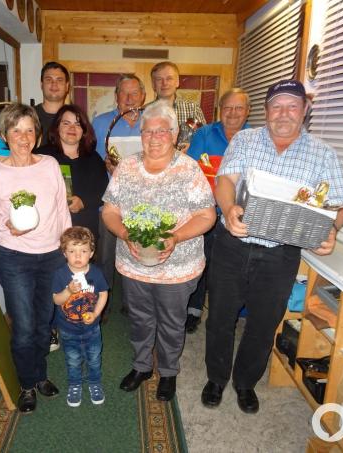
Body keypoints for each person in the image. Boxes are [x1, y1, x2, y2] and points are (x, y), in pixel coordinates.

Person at [200, 80, 343, 415]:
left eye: (292, 106)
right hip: (232, 244)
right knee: (221, 318)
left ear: (305, 110)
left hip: (280, 254)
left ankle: (244, 383)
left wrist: (333, 231)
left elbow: (339, 206)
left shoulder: (323, 154)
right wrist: (227, 209)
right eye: (277, 106)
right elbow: (225, 180)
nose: (284, 114)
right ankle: (216, 378)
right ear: (267, 111)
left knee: (264, 323)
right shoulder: (245, 139)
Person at [102, 101, 216, 401]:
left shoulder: (189, 169)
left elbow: (207, 216)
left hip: (178, 267)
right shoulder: (126, 167)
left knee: (171, 322)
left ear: (175, 134)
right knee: (140, 319)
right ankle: (141, 366)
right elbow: (110, 211)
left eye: (162, 131)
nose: (154, 137)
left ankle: (168, 373)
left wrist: (175, 237)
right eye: (147, 131)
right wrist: (125, 233)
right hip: (134, 264)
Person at [0, 103, 72, 413]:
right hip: (15, 258)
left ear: (37, 134)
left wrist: (68, 248)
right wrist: (5, 222)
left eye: (29, 130)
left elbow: (62, 207)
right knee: (23, 325)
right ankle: (27, 384)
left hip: (51, 257)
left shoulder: (49, 165)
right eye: (16, 130)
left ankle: (40, 374)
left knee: (44, 324)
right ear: (5, 135)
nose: (23, 137)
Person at [183, 88, 252, 334]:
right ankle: (194, 308)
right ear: (219, 111)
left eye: (239, 108)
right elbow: (190, 169)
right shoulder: (204, 134)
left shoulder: (256, 138)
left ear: (248, 112)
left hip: (240, 216)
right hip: (205, 210)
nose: (233, 113)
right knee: (200, 261)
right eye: (227, 108)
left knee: (230, 271)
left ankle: (230, 313)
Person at [91, 74, 147, 295]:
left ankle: (131, 302)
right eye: (124, 92)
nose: (129, 98)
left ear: (143, 96)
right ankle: (104, 301)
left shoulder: (151, 121)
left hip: (143, 204)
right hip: (110, 203)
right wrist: (107, 168)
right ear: (116, 96)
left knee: (138, 254)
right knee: (106, 255)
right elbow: (92, 162)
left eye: (135, 93)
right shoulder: (101, 123)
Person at [51, 226, 109, 407]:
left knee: (94, 357)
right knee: (73, 359)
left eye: (83, 251)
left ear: (91, 253)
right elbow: (57, 300)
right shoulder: (60, 275)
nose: (78, 256)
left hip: (92, 329)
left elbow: (103, 294)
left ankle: (94, 382)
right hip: (68, 329)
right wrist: (68, 290)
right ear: (64, 253)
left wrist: (96, 313)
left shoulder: (96, 273)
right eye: (72, 251)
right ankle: (75, 384)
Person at [36, 104, 108, 243]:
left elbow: (104, 192)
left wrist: (83, 202)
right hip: (49, 233)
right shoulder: (42, 156)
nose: (72, 128)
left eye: (77, 124)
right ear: (57, 127)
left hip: (84, 234)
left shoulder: (94, 158)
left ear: (84, 130)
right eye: (66, 123)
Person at [148, 61, 206, 151]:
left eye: (169, 78)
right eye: (159, 79)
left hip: (187, 162)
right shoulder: (145, 112)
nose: (164, 83)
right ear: (153, 85)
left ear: (177, 82)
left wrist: (192, 147)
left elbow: (204, 138)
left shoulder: (193, 109)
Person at [35, 62, 70, 146]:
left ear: (67, 86)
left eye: (59, 80)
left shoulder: (76, 118)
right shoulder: (28, 116)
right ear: (41, 85)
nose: (54, 84)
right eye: (48, 79)